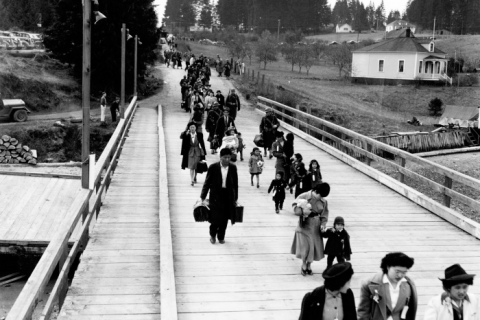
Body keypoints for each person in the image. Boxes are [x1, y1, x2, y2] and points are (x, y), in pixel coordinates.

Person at [358, 252, 418, 320]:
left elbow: (410, 310)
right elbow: (363, 312)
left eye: (404, 272)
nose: (400, 275)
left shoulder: (409, 285)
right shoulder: (369, 284)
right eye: (397, 271)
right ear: (388, 267)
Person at [200, 148, 238, 244]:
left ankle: (221, 236)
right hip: (216, 196)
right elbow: (207, 182)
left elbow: (235, 184)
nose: (227, 160)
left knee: (225, 218)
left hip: (228, 196)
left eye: (229, 157)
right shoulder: (213, 167)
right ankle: (212, 235)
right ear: (220, 157)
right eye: (225, 157)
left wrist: (235, 198)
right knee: (215, 218)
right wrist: (202, 196)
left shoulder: (233, 168)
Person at [291, 183, 330, 276]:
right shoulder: (304, 196)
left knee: (313, 247)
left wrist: (323, 224)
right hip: (304, 225)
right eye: (319, 195)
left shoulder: (324, 201)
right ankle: (304, 264)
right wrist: (303, 211)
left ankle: (309, 265)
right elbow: (294, 207)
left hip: (316, 226)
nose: (320, 198)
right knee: (305, 247)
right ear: (316, 191)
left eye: (322, 196)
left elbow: (324, 214)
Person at [181, 122, 207, 186]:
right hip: (190, 152)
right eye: (191, 127)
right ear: (189, 128)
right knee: (191, 167)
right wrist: (185, 133)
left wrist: (203, 152)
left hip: (197, 151)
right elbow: (182, 139)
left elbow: (202, 143)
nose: (192, 128)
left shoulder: (199, 134)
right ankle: (192, 180)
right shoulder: (187, 134)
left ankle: (195, 177)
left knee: (196, 166)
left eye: (193, 127)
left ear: (196, 128)